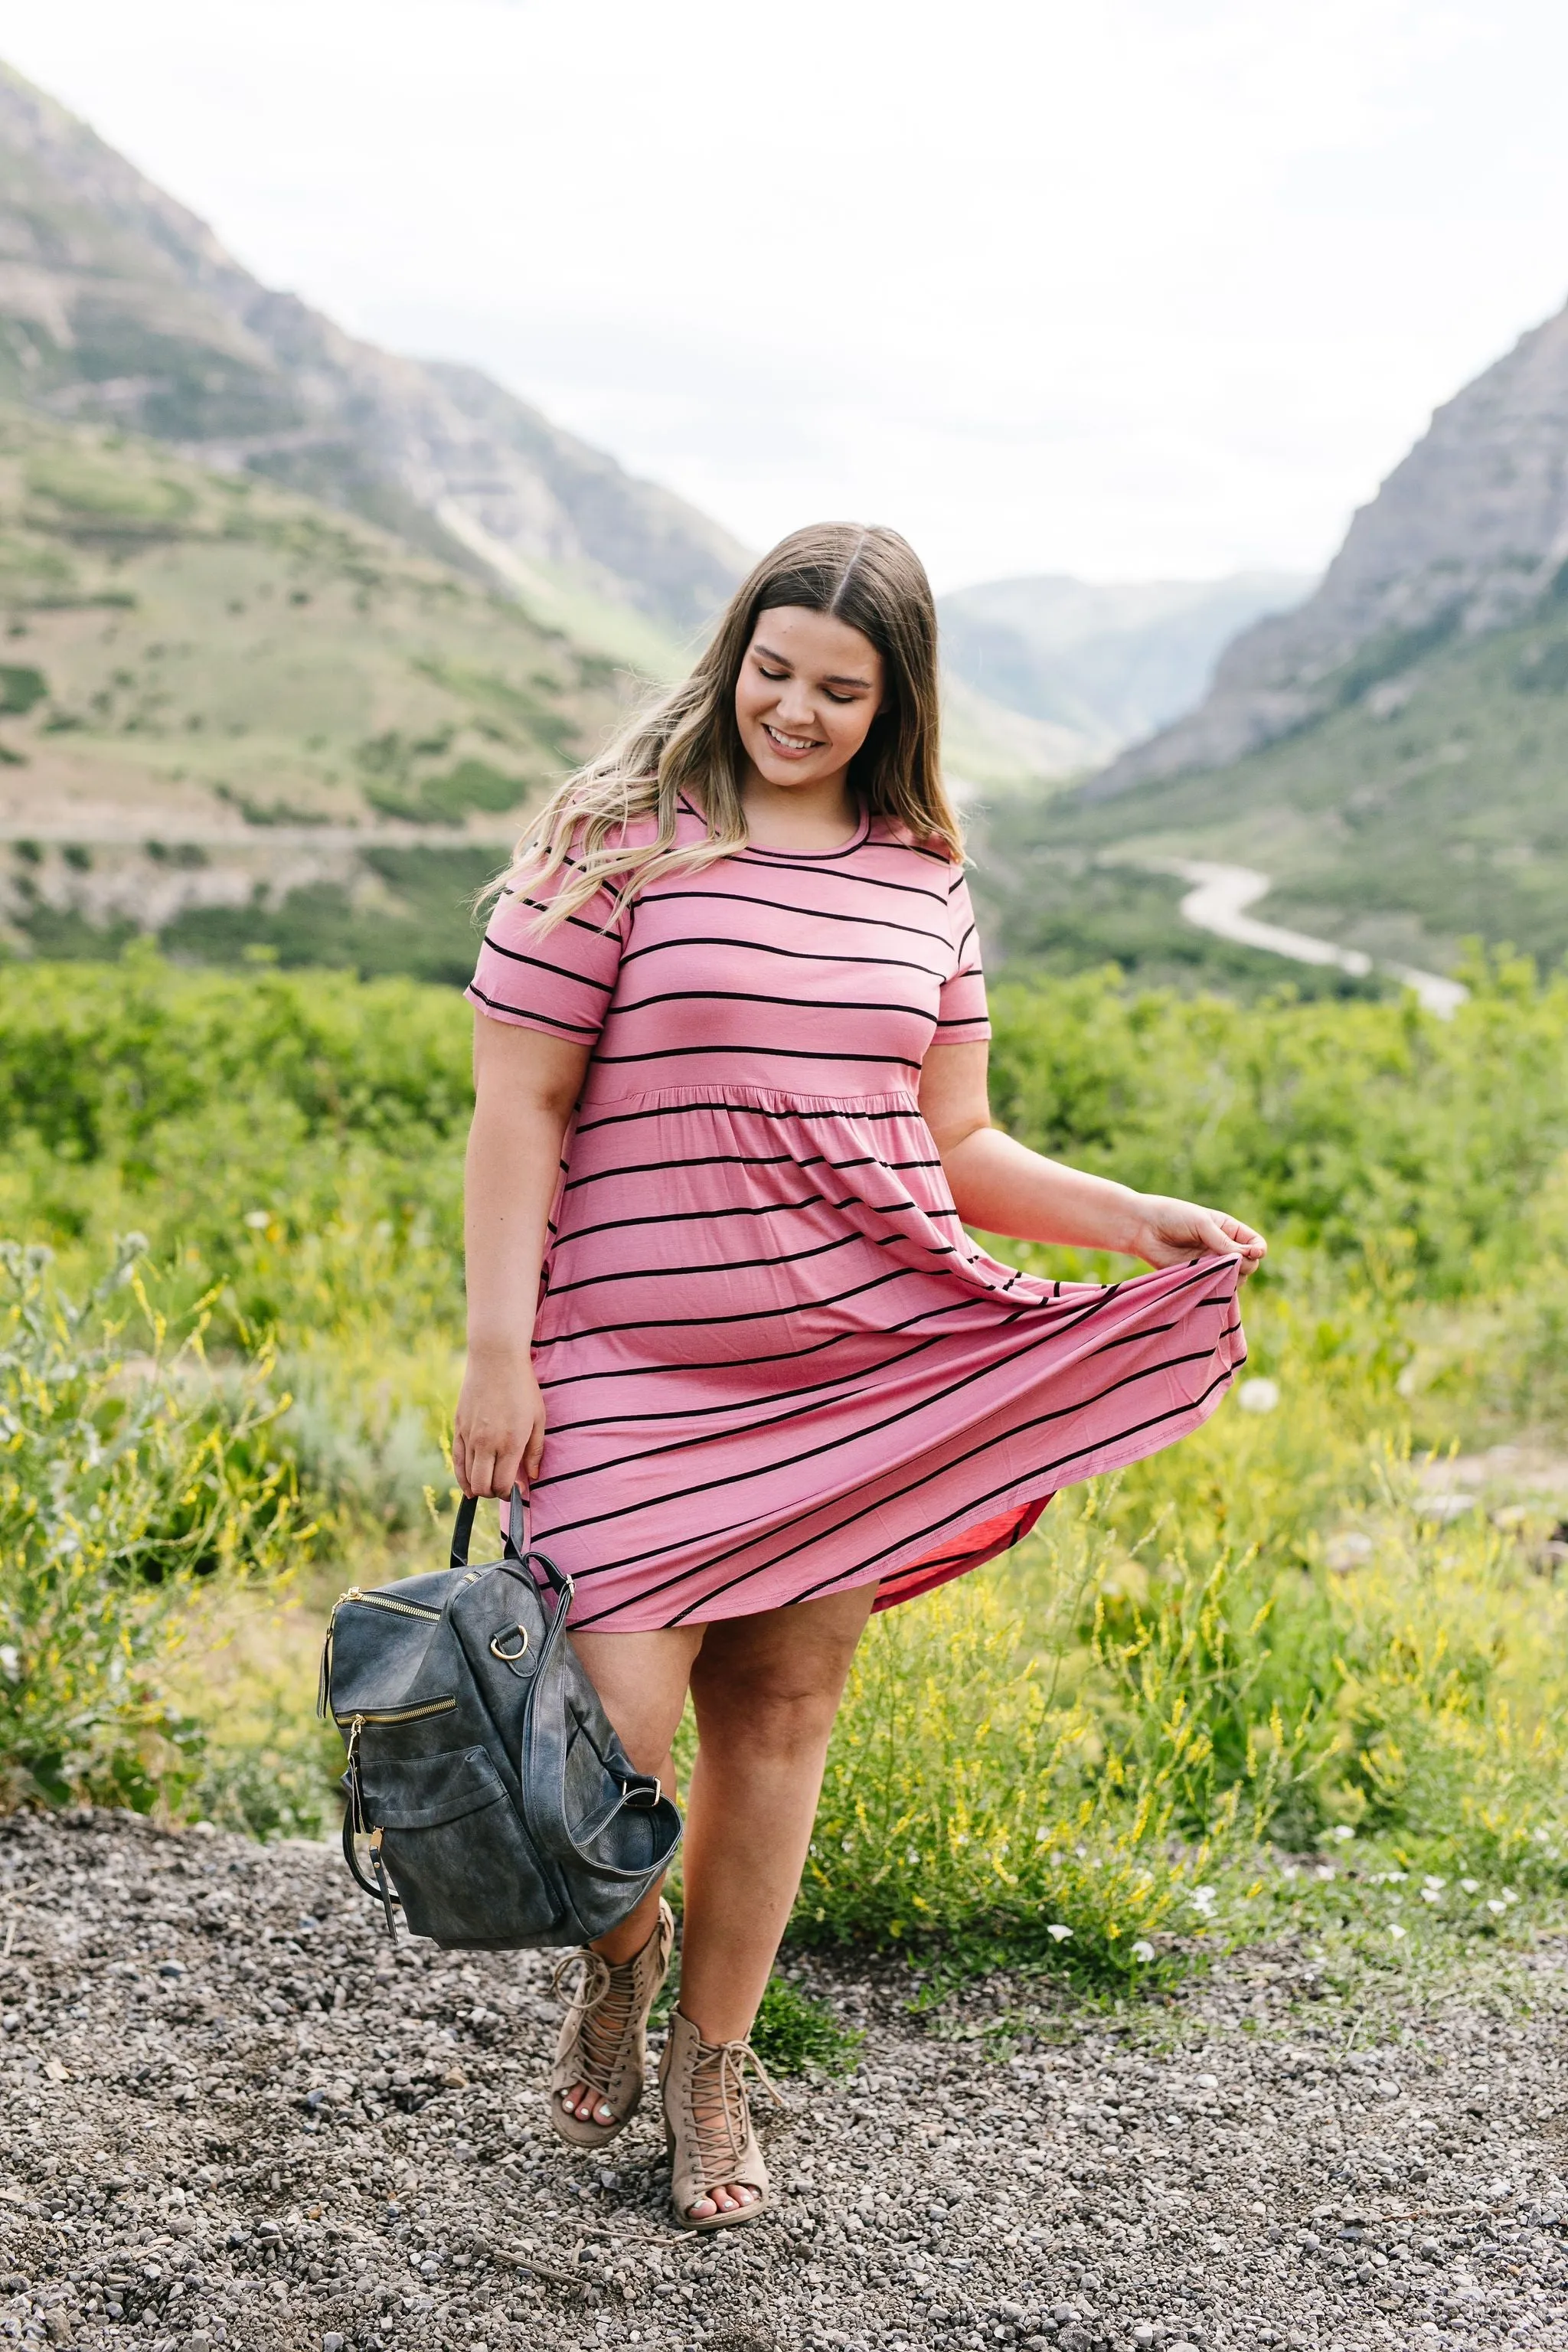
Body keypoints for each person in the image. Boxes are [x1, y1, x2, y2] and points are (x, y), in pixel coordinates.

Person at [452, 522, 1264, 2231]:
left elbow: (954, 1140)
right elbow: (517, 1108)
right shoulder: (615, 845)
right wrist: (495, 1355)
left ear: (893, 701)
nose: (793, 712)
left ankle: (715, 2061)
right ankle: (622, 1958)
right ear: (732, 648)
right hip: (623, 1371)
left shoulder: (922, 879)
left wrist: (1132, 1219)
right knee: (594, 1764)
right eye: (771, 670)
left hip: (849, 1372)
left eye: (838, 689)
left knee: (785, 1720)